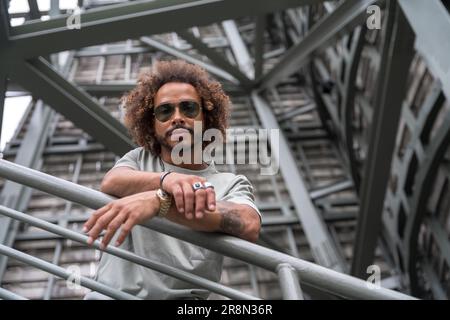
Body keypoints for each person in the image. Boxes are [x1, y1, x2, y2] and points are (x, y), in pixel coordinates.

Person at [83, 60, 261, 299]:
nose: (177, 118)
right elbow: (112, 181)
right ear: (152, 123)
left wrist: (160, 203)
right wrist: (167, 180)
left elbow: (248, 223)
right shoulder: (138, 159)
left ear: (206, 119)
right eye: (165, 111)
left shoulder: (230, 183)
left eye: (188, 108)